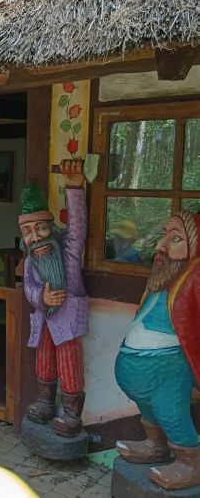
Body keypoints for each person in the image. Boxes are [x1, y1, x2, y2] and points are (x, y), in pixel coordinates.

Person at [114, 210, 200, 490]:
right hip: (143, 366)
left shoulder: (195, 276)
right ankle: (155, 444)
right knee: (150, 405)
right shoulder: (163, 277)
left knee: (170, 410)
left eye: (175, 239)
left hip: (169, 366)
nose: (161, 246)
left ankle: (191, 464)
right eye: (164, 236)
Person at [18, 159, 88, 438]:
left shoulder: (68, 252)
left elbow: (78, 228)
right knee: (44, 359)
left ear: (53, 229)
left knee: (69, 362)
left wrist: (74, 187)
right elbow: (28, 288)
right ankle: (46, 401)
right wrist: (42, 296)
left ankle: (71, 414)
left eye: (41, 229)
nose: (36, 237)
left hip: (67, 320)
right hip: (44, 318)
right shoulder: (30, 262)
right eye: (28, 232)